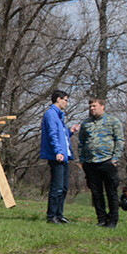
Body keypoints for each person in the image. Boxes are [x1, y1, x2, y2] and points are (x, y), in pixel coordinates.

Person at [77, 96, 125, 228]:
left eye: (94, 106)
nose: (92, 108)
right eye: (90, 106)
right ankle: (102, 219)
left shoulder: (113, 121)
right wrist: (82, 160)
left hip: (107, 162)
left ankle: (113, 220)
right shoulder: (86, 124)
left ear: (102, 107)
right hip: (91, 163)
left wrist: (115, 158)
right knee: (96, 193)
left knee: (111, 192)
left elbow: (119, 140)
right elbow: (81, 143)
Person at [39, 89, 72, 224]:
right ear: (58, 99)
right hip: (57, 156)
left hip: (64, 156)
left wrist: (71, 132)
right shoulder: (51, 114)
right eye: (66, 100)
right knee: (57, 187)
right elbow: (52, 135)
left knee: (63, 188)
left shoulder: (60, 116)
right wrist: (58, 151)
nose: (67, 103)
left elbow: (62, 137)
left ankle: (59, 214)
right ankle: (52, 216)